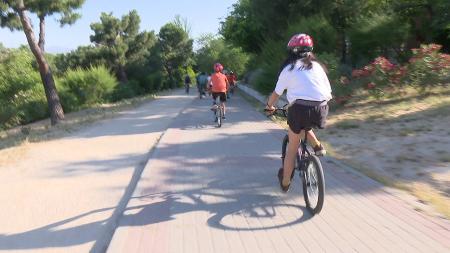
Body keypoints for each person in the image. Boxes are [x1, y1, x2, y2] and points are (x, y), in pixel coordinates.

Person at [265, 33, 332, 192]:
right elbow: (328, 92)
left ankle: (286, 182)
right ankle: (317, 146)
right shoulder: (318, 67)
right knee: (305, 125)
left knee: (292, 148)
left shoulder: (289, 68)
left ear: (291, 51)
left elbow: (276, 94)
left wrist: (269, 106)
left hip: (299, 109)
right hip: (321, 108)